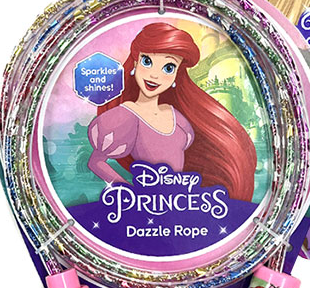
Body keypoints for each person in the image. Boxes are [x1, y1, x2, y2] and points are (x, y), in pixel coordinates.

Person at [87, 22, 256, 201]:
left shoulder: (178, 119)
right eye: (147, 61)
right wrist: (129, 192)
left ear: (176, 74)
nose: (154, 75)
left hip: (181, 203)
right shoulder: (126, 117)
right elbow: (96, 162)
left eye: (168, 68)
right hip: (148, 204)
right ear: (135, 62)